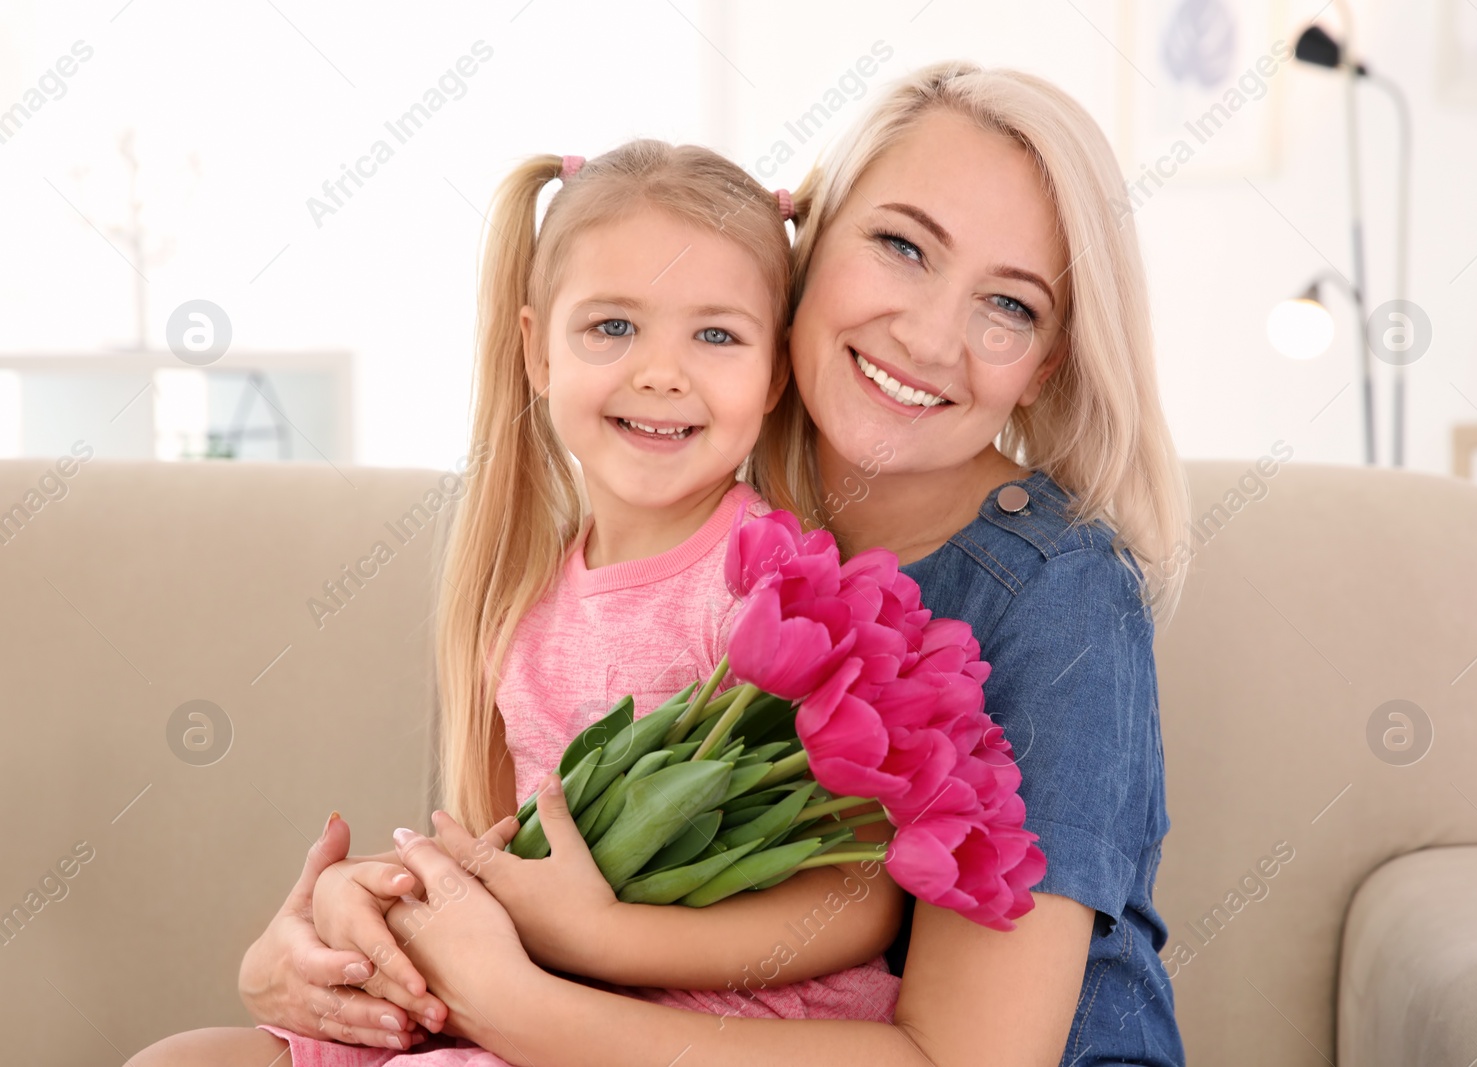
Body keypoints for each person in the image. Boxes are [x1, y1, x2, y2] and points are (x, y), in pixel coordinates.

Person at [138, 59, 1193, 1067]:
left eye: (1010, 303)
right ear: (807, 253)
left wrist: (519, 995)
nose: (926, 333)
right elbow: (547, 855)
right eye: (903, 247)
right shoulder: (687, 498)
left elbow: (962, 1050)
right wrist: (335, 938)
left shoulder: (1056, 594)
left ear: (1047, 359)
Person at [127, 139, 905, 1066]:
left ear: (774, 373)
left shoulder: (774, 583)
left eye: (716, 334)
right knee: (183, 1057)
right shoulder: (525, 604)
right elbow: (500, 858)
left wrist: (602, 939)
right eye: (612, 327)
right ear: (536, 349)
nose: (661, 371)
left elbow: (860, 894)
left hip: (711, 1020)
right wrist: (372, 899)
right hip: (532, 988)